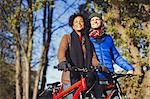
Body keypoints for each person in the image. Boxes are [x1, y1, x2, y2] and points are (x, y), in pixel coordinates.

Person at [88, 12, 135, 98]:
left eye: (97, 19)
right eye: (92, 20)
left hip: (109, 77)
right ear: (90, 23)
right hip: (95, 79)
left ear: (101, 22)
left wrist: (129, 68)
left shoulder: (108, 38)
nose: (95, 21)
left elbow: (116, 57)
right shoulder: (87, 39)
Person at [57, 13, 99, 99]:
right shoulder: (67, 37)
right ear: (72, 26)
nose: (79, 23)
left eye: (81, 21)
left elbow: (93, 57)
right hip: (70, 76)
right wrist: (62, 61)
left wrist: (99, 65)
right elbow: (61, 51)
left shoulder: (88, 41)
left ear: (84, 24)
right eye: (76, 21)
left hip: (86, 77)